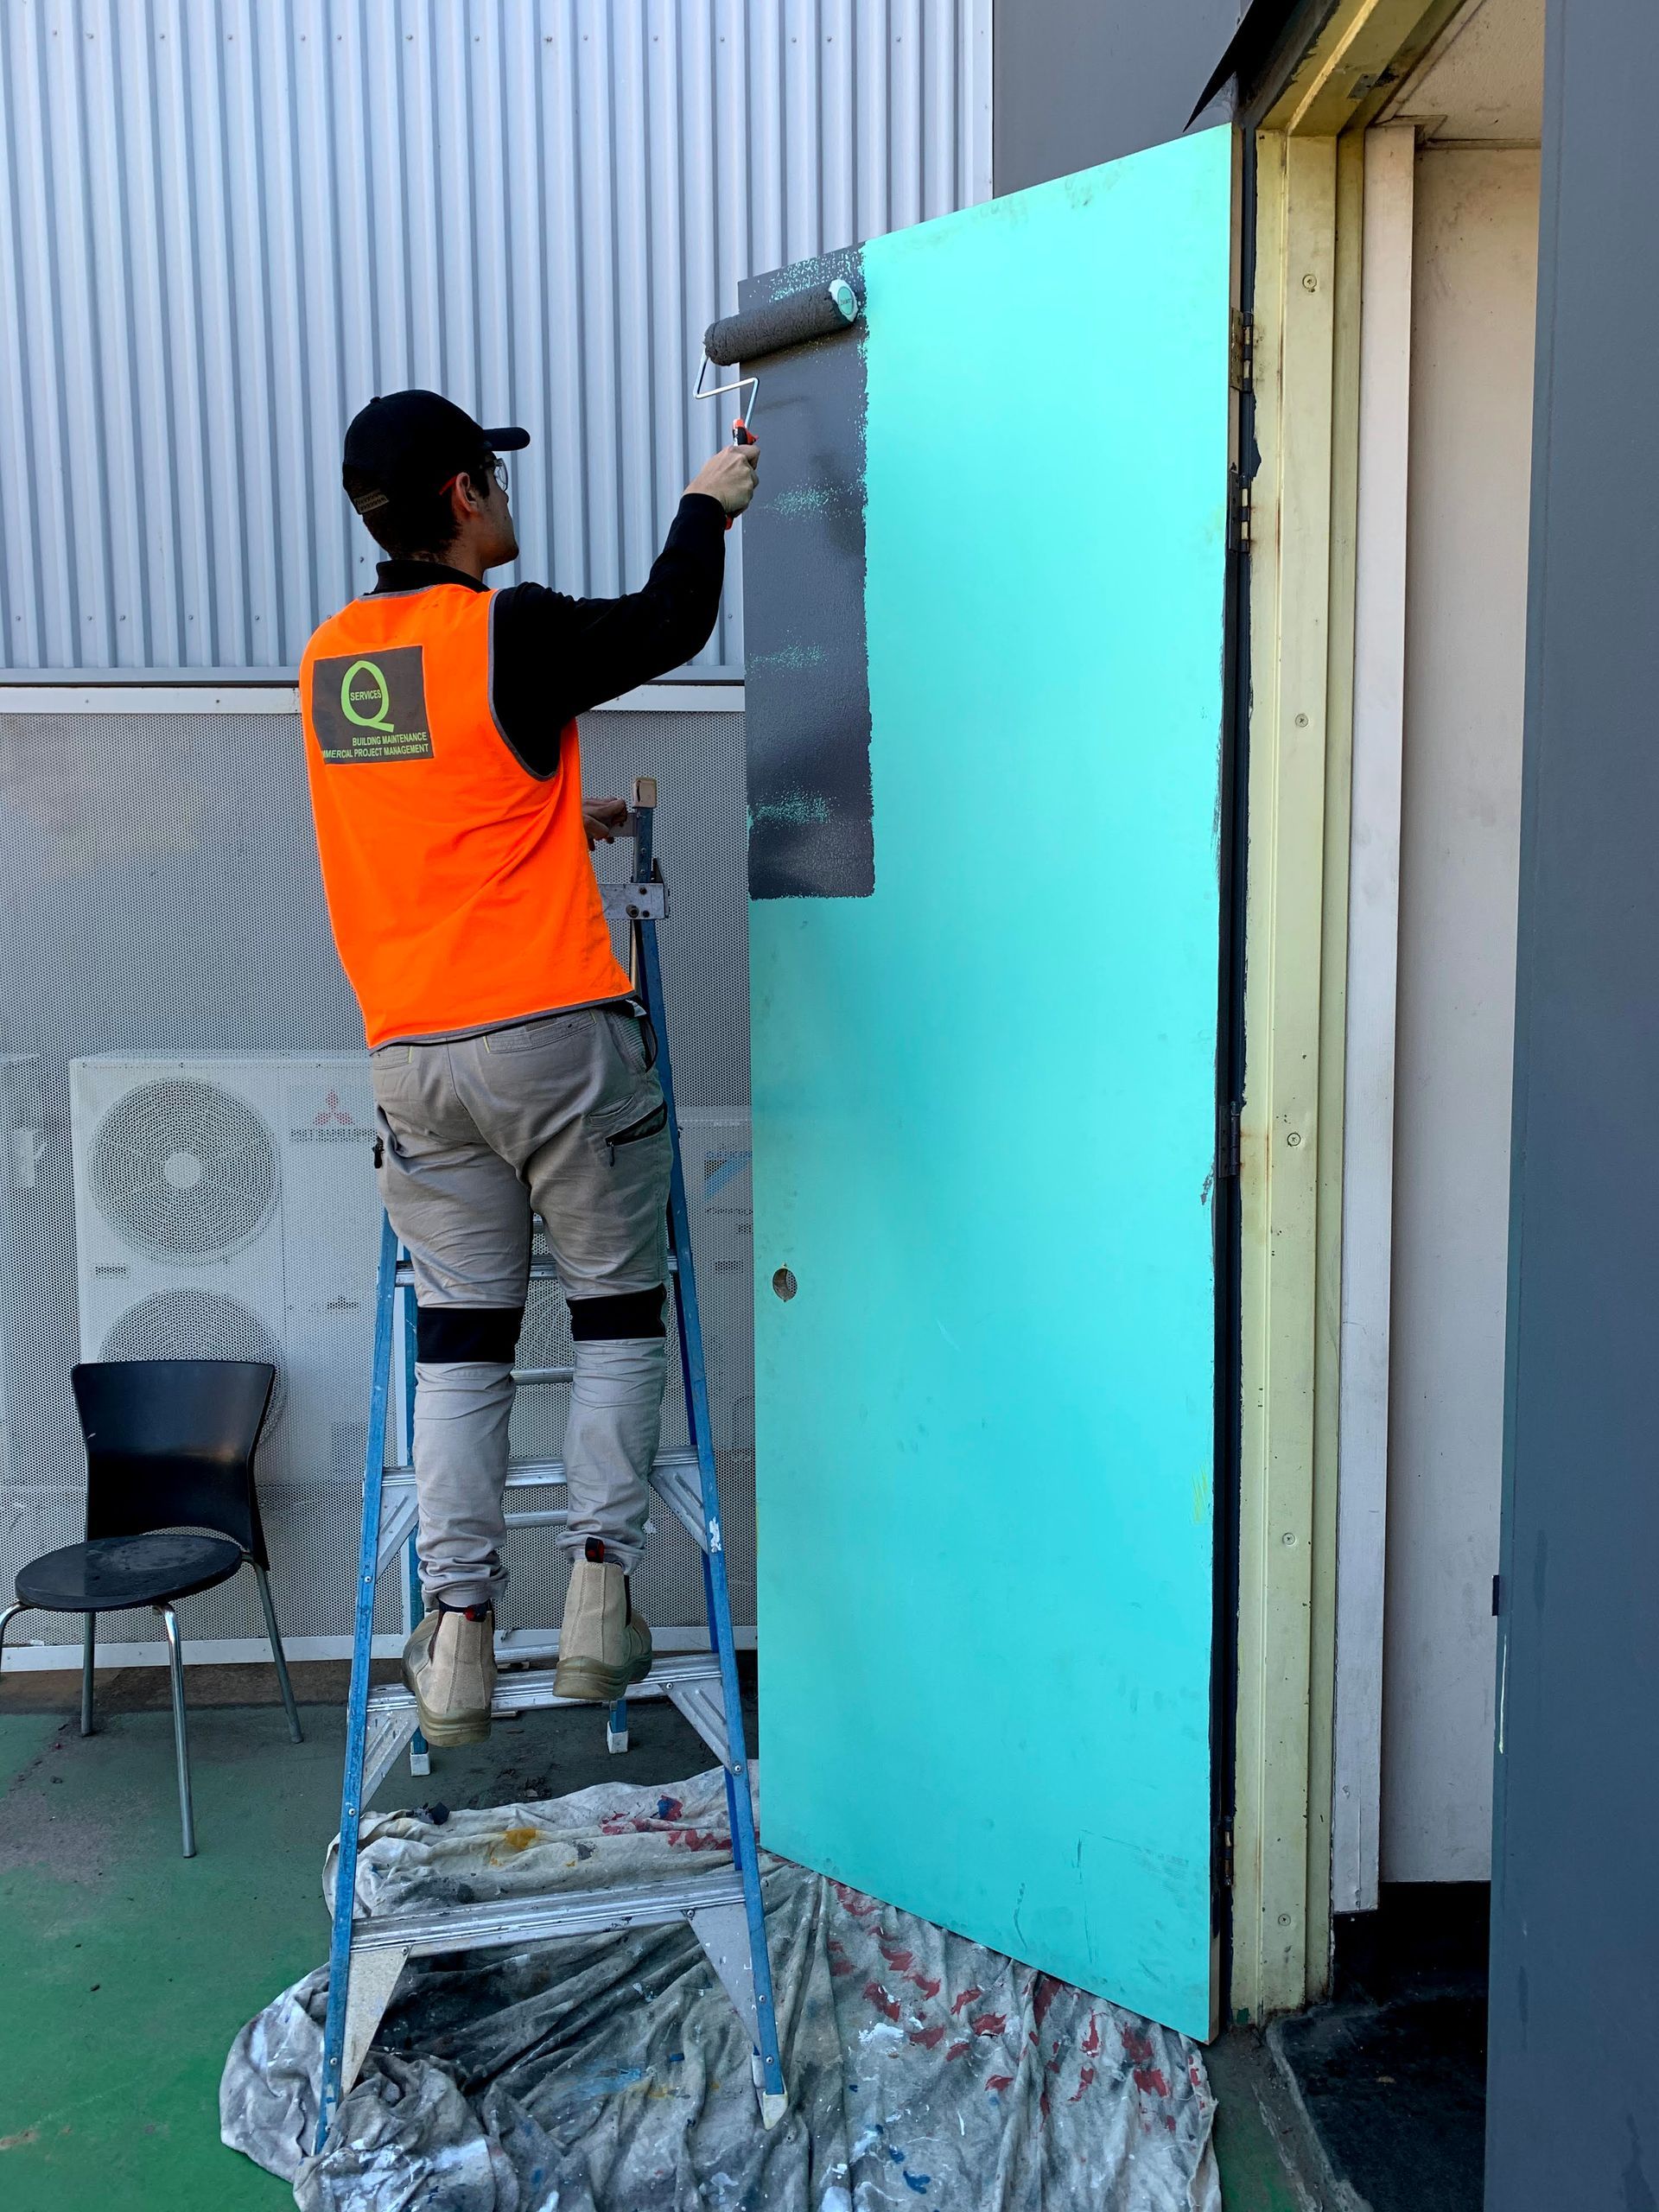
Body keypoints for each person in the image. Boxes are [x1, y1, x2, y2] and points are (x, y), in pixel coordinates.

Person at [298, 388, 759, 1746]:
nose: (505, 497)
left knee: (464, 1347)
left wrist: (572, 815)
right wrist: (706, 505)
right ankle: (601, 1602)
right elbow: (666, 623)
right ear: (460, 495)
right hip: (553, 1042)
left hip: (411, 1063)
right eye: (491, 477)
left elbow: (445, 807)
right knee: (618, 1313)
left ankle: (454, 1641)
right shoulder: (506, 627)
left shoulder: (336, 666)